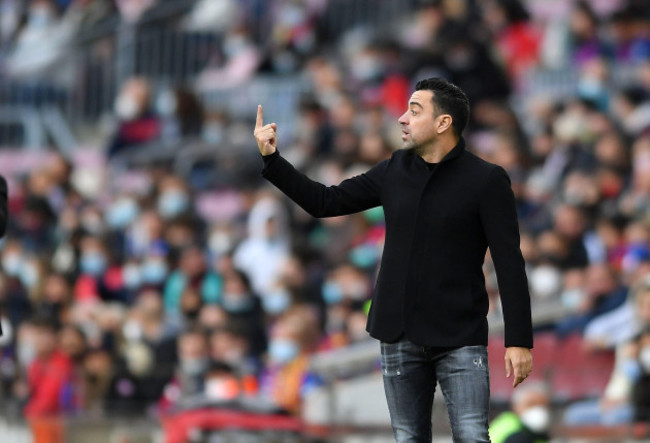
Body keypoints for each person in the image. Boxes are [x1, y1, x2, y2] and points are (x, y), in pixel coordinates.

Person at [253, 77, 534, 441]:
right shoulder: (395, 170)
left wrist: (519, 340)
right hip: (397, 332)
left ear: (443, 123)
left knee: (472, 436)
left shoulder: (487, 180)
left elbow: (509, 262)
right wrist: (272, 160)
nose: (402, 118)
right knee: (408, 438)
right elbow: (325, 201)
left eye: (414, 111)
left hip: (460, 334)